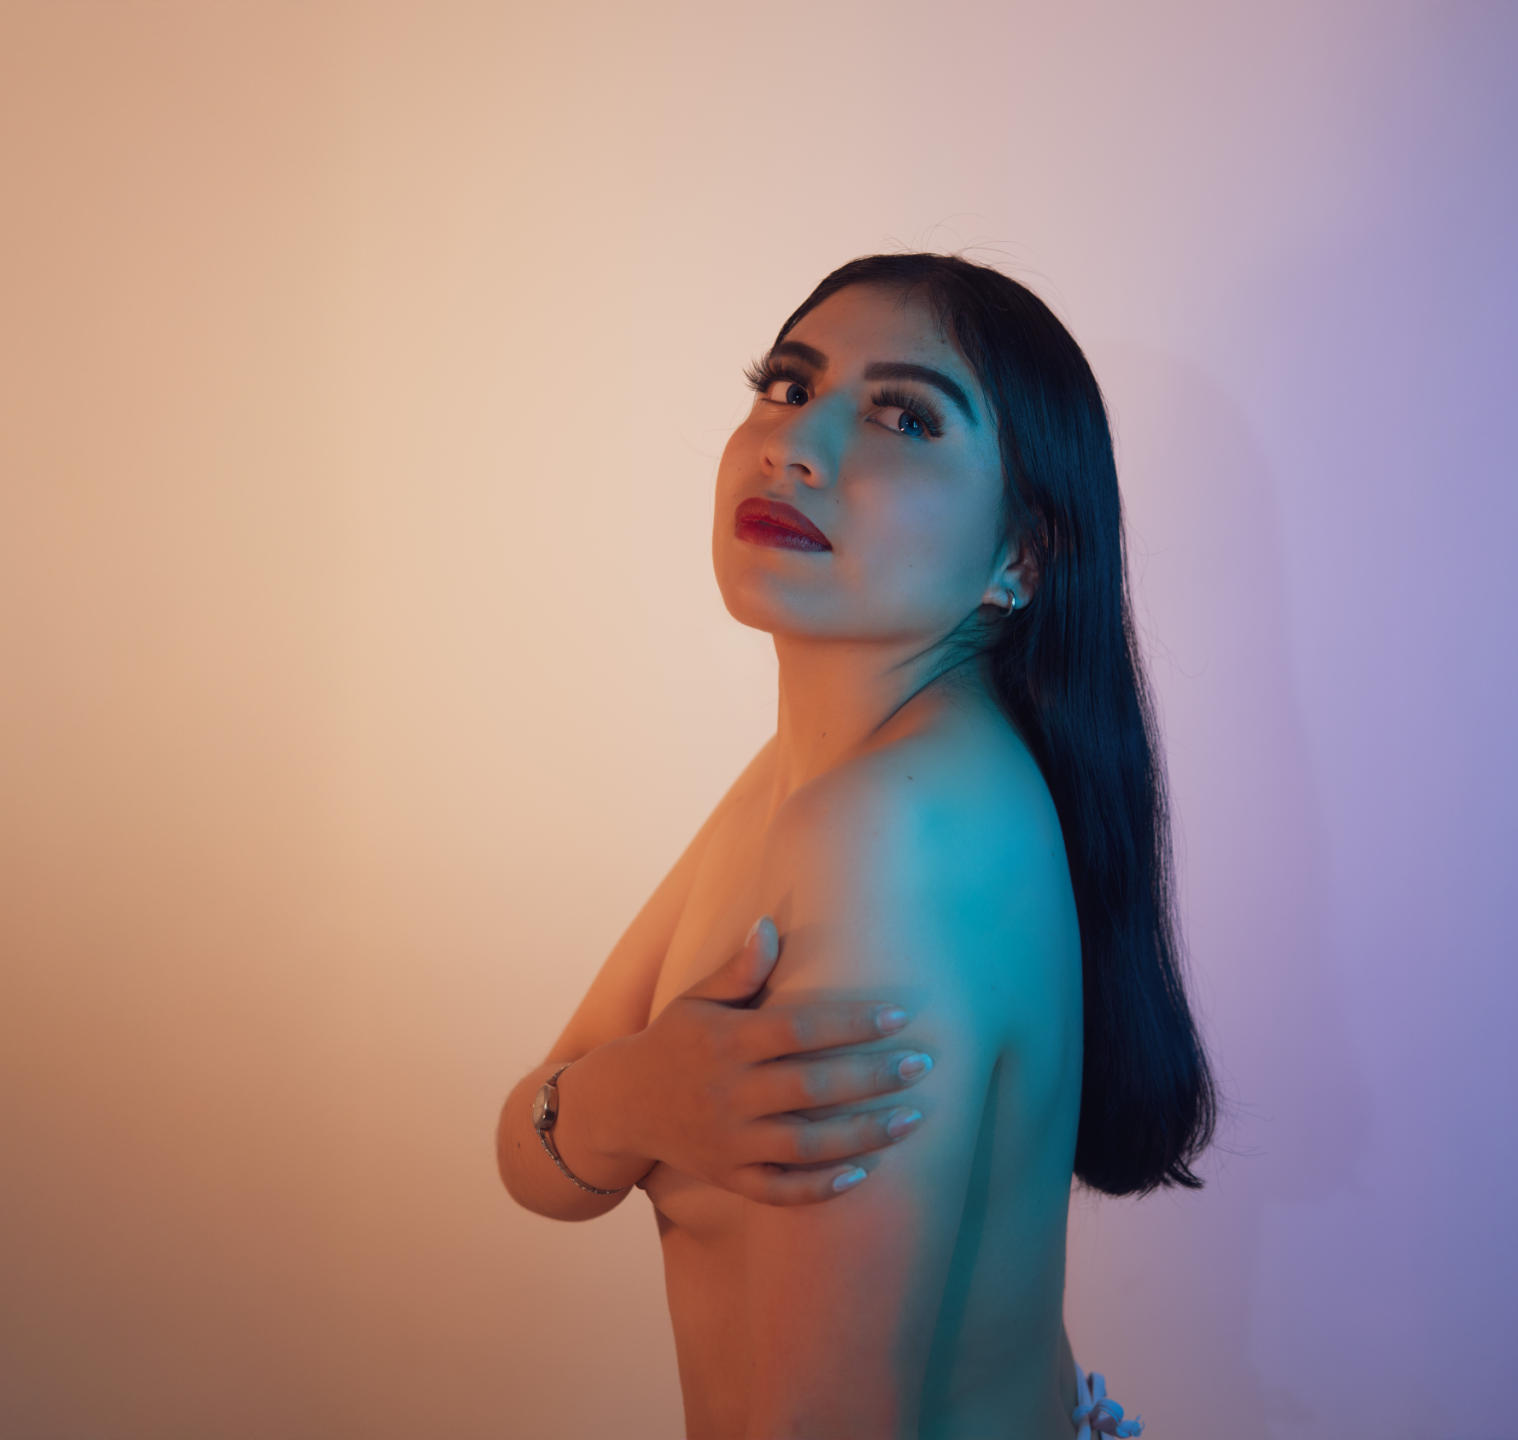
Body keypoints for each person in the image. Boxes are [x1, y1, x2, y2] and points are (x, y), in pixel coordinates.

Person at [495, 252, 1215, 1438]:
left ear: (1023, 557)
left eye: (905, 416)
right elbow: (532, 1154)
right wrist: (636, 1097)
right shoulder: (813, 781)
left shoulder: (885, 836)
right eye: (788, 386)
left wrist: (603, 1110)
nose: (795, 443)